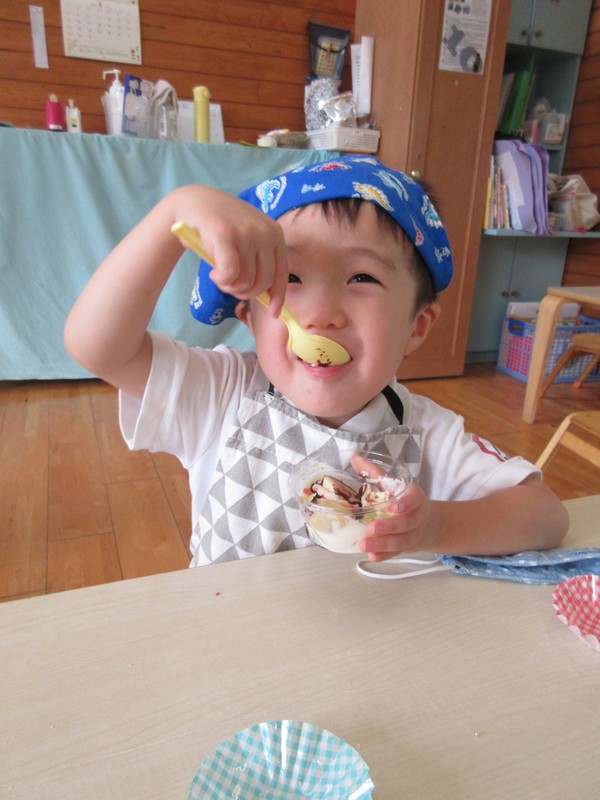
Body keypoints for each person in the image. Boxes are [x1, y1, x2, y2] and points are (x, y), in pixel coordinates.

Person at [64, 155, 568, 567]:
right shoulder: (222, 394)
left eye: (362, 278)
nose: (321, 313)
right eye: (291, 277)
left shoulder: (426, 434)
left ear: (416, 327)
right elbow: (97, 347)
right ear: (249, 315)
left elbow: (546, 517)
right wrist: (174, 212)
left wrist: (435, 525)